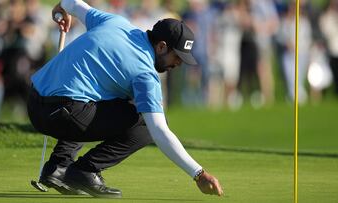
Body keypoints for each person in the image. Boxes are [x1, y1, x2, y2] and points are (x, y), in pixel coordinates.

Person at [27, 0, 223, 198]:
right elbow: (159, 131)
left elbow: (73, 3)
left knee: (110, 97)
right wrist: (198, 173)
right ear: (162, 46)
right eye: (177, 57)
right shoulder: (145, 74)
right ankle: (84, 171)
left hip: (35, 104)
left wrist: (61, 7)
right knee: (145, 123)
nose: (179, 64)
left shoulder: (115, 22)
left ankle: (59, 167)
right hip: (62, 115)